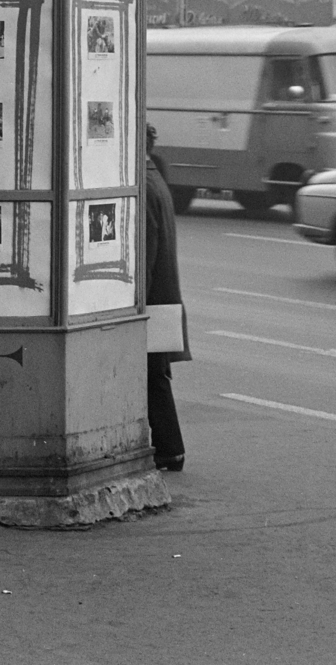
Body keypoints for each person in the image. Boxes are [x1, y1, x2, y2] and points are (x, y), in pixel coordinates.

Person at [144, 124, 189, 472]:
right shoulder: (154, 176)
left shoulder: (143, 185)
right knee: (154, 373)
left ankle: (169, 449)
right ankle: (168, 449)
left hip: (153, 297)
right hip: (164, 293)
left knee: (152, 373)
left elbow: (147, 249)